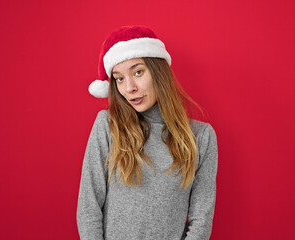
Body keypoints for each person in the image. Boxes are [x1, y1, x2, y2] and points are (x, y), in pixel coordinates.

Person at [77, 25, 218, 240]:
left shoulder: (201, 137)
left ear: (158, 72)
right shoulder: (107, 125)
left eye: (138, 72)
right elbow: (89, 206)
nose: (129, 88)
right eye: (119, 78)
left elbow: (201, 218)